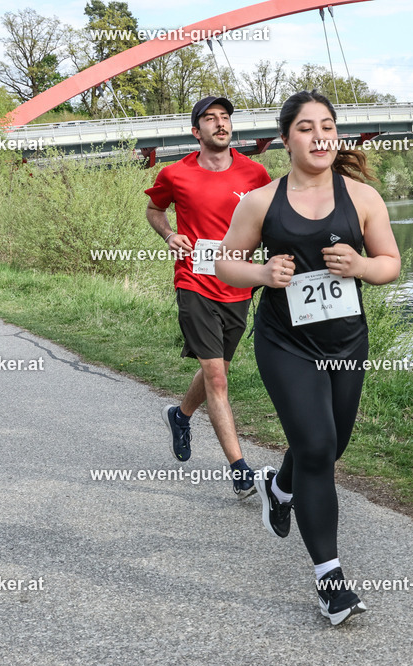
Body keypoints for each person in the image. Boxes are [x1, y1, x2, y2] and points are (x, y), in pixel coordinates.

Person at [216, 90, 401, 625]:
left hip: (346, 342)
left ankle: (281, 487)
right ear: (285, 139)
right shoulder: (260, 202)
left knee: (332, 443)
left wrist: (361, 266)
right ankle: (331, 583)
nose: (319, 136)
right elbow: (227, 263)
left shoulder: (362, 198)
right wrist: (260, 274)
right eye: (306, 127)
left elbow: (389, 263)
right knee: (317, 447)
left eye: (327, 126)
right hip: (286, 344)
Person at [144, 95, 272, 499]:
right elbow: (154, 209)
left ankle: (180, 416)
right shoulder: (175, 174)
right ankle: (240, 469)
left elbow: (272, 219)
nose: (221, 124)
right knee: (216, 377)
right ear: (195, 131)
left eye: (226, 118)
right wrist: (169, 234)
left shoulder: (255, 173)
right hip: (194, 281)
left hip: (238, 285)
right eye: (210, 119)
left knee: (220, 371)